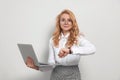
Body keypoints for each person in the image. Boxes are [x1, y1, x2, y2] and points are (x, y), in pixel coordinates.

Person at [26, 9, 96, 80]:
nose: (66, 22)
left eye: (69, 20)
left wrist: (70, 51)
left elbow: (92, 49)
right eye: (63, 20)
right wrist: (36, 67)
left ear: (73, 23)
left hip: (73, 75)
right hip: (56, 76)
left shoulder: (78, 38)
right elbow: (51, 65)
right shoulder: (53, 40)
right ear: (59, 23)